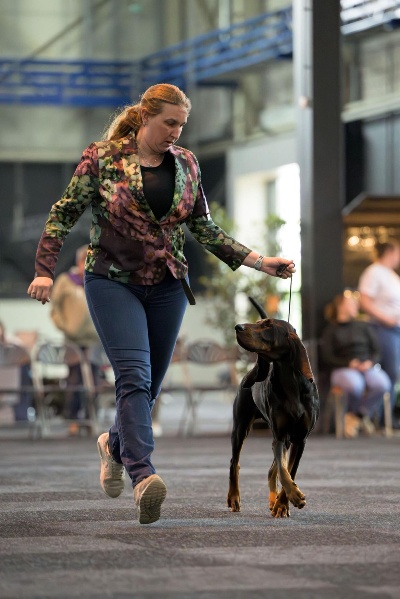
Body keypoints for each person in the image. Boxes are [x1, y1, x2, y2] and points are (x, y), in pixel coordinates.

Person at [27, 83, 295, 525]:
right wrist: (44, 270)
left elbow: (204, 228)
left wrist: (259, 261)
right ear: (144, 117)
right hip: (112, 282)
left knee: (149, 383)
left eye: (181, 125)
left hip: (168, 285)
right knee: (133, 374)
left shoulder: (186, 163)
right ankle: (142, 475)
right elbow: (63, 213)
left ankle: (113, 443)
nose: (175, 132)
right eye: (169, 123)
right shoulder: (103, 158)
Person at [320, 290, 391, 438]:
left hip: (366, 366)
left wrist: (370, 362)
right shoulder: (330, 330)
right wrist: (348, 363)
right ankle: (360, 418)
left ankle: (356, 416)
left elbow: (376, 350)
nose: (355, 306)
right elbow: (327, 357)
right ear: (341, 306)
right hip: (343, 368)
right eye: (351, 303)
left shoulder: (363, 326)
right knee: (355, 385)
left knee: (382, 384)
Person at [50, 244, 102, 435]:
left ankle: (91, 418)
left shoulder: (99, 281)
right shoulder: (65, 281)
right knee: (74, 381)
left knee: (94, 381)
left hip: (94, 340)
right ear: (80, 262)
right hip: (72, 340)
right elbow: (55, 309)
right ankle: (72, 419)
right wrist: (66, 326)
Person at [358, 240, 400, 422]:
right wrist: (386, 318)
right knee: (390, 372)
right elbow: (364, 301)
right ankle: (381, 419)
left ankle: (385, 418)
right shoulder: (374, 272)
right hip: (382, 329)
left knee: (394, 373)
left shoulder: (391, 275)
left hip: (395, 330)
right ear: (390, 252)